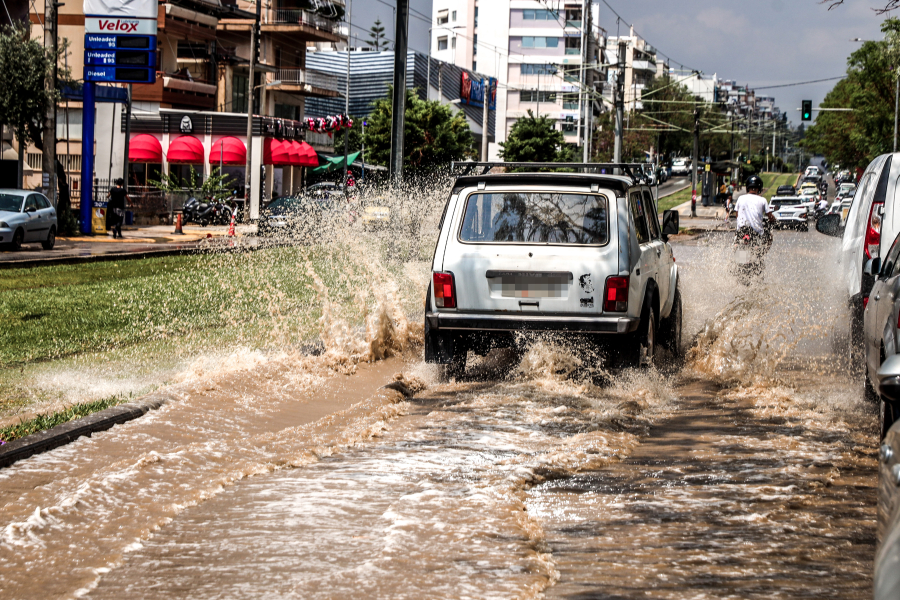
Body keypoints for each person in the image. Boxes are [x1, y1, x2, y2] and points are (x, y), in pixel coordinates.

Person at [734, 174, 774, 246]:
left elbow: (737, 215)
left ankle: (735, 248)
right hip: (756, 232)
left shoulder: (740, 198)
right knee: (770, 237)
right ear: (759, 188)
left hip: (741, 231)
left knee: (736, 241)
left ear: (747, 187)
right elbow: (770, 216)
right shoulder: (763, 200)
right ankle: (760, 255)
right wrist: (773, 220)